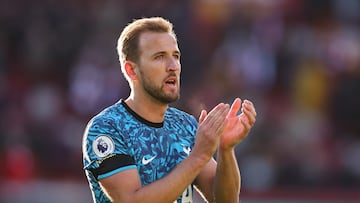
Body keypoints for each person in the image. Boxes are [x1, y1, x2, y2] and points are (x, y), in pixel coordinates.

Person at [82, 17, 257, 203]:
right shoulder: (107, 128)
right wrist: (198, 157)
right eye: (159, 57)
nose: (173, 66)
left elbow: (224, 201)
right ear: (132, 70)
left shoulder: (186, 125)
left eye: (176, 56)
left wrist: (226, 150)